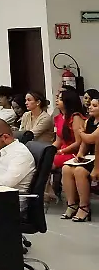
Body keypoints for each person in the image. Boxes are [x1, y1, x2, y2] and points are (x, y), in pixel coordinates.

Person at [60, 91, 99, 222]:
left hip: (98, 157)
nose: (90, 107)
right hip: (91, 156)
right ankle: (72, 204)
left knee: (80, 171)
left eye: (95, 106)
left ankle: (84, 207)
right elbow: (84, 143)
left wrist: (81, 132)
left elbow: (91, 138)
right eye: (90, 105)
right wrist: (80, 153)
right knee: (66, 168)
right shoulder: (89, 121)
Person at [52, 88, 86, 172]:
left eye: (60, 99)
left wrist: (61, 151)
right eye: (57, 98)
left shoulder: (75, 117)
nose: (57, 100)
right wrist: (49, 150)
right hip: (62, 151)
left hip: (74, 152)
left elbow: (78, 142)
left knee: (50, 162)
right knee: (44, 157)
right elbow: (58, 141)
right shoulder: (58, 118)